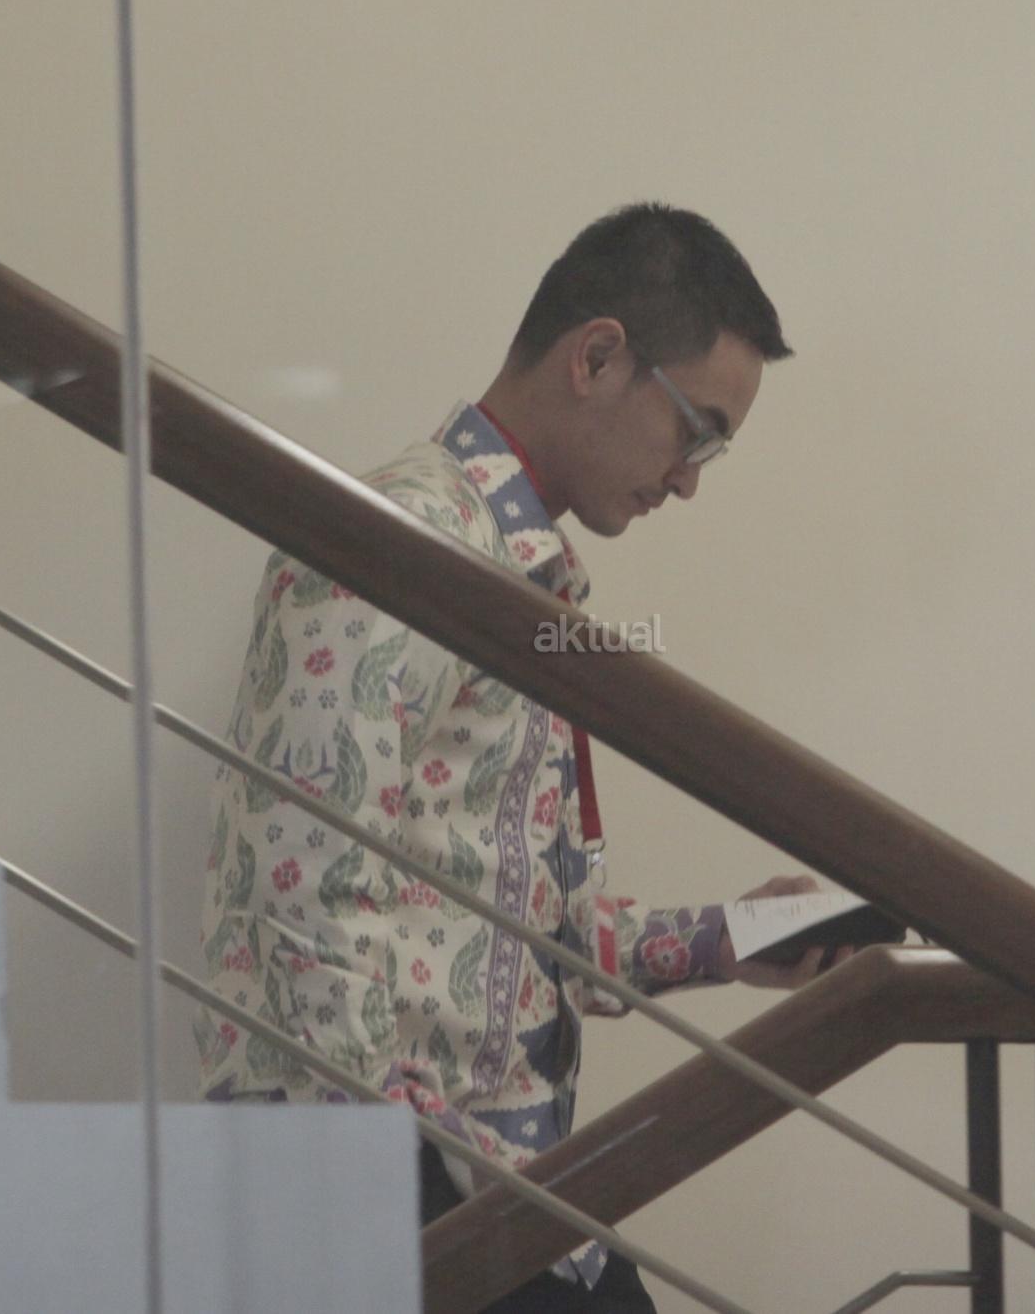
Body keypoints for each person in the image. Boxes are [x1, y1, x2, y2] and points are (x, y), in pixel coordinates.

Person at [198, 203, 844, 1312]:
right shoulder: (394, 541)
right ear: (597, 357)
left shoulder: (512, 574)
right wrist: (396, 1206)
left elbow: (525, 935)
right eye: (695, 432)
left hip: (479, 1173)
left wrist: (730, 938)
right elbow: (302, 904)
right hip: (385, 1178)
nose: (689, 479)